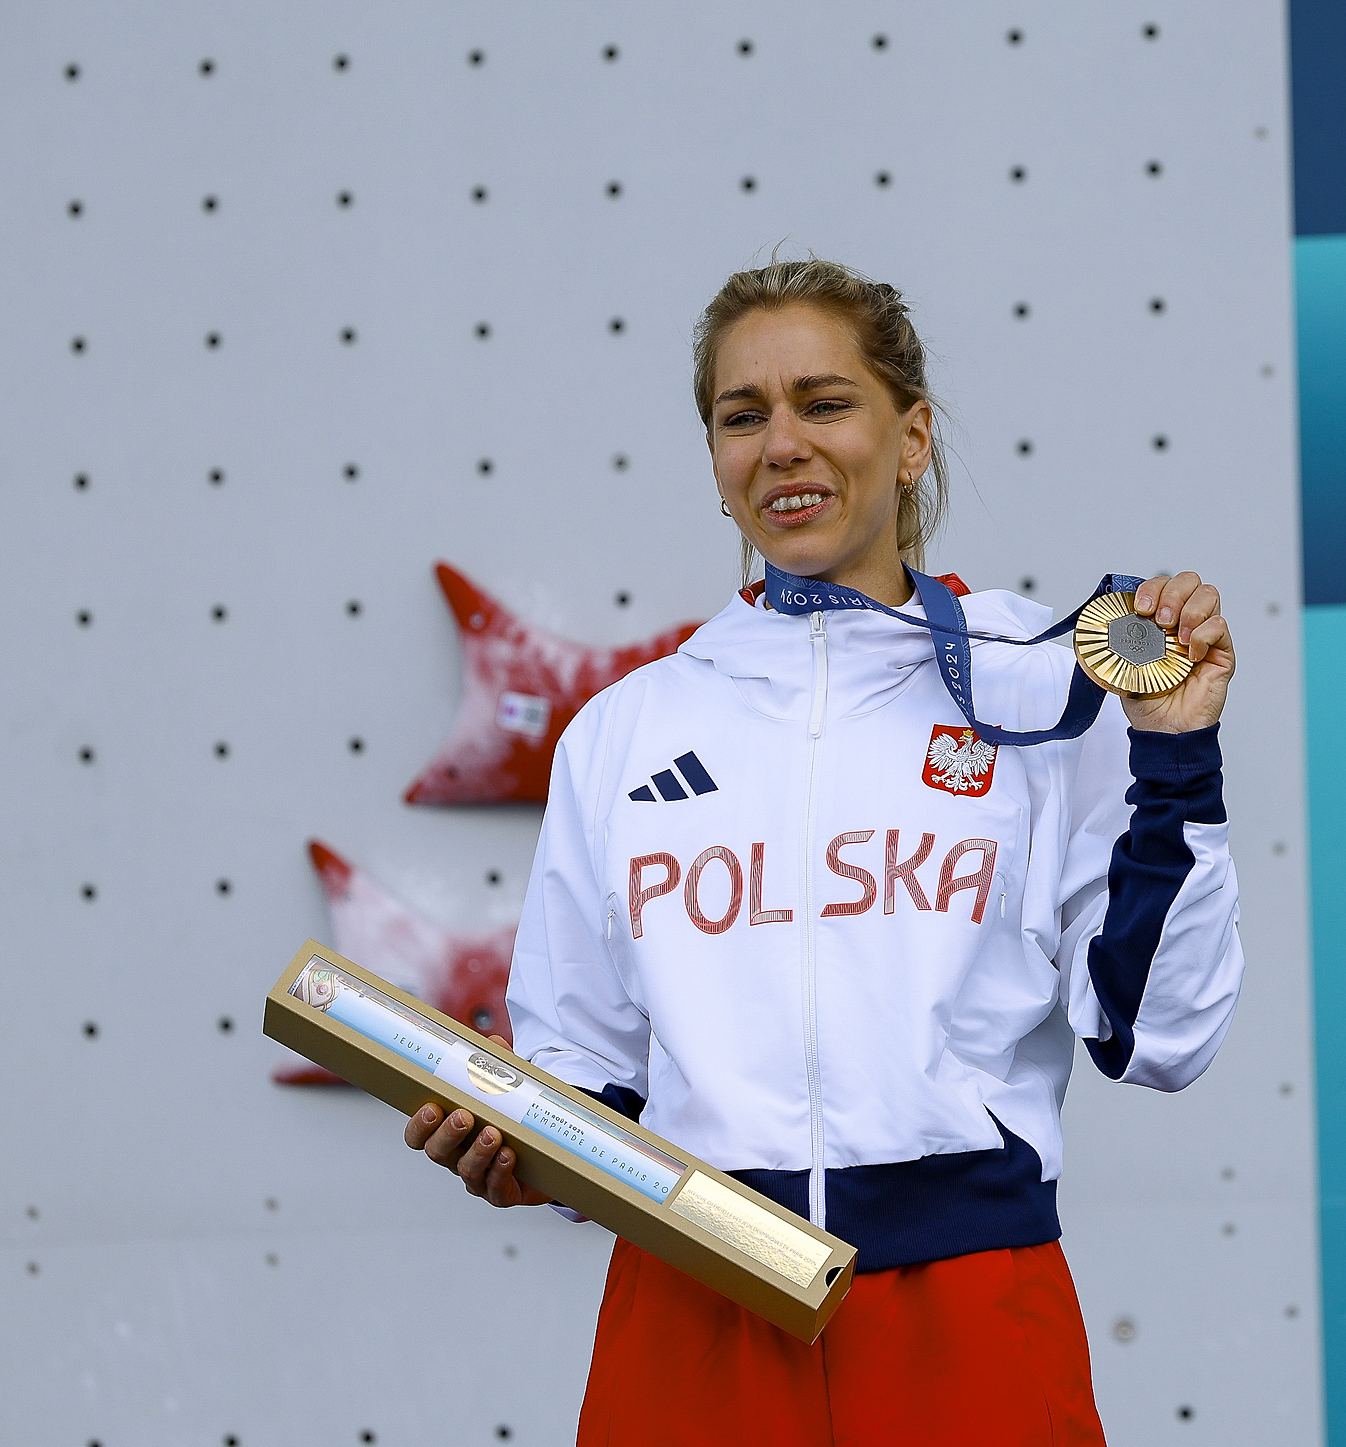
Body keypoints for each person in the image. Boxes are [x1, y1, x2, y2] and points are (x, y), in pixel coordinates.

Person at [404, 259, 1244, 1445]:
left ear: (910, 439)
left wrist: (1174, 753)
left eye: (823, 402)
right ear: (714, 461)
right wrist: (518, 1148)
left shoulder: (1040, 687)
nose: (781, 442)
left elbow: (1158, 1034)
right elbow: (585, 1065)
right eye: (742, 416)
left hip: (962, 1306)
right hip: (690, 1306)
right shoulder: (627, 731)